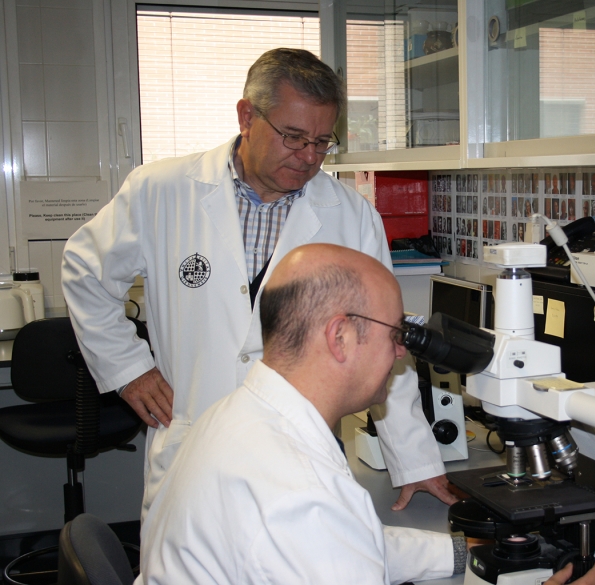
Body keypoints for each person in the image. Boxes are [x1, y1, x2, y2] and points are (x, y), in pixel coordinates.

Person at [61, 49, 452, 519]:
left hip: (302, 458)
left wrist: (414, 461)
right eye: (293, 137)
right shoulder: (161, 189)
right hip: (193, 447)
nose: (309, 157)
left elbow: (382, 339)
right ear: (247, 116)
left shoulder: (350, 215)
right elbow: (85, 270)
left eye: (322, 142)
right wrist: (129, 370)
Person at [139, 244, 595, 585]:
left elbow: (352, 543)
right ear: (339, 337)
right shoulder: (298, 491)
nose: (402, 353)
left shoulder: (237, 417)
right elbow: (320, 529)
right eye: (396, 334)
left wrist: (462, 552)